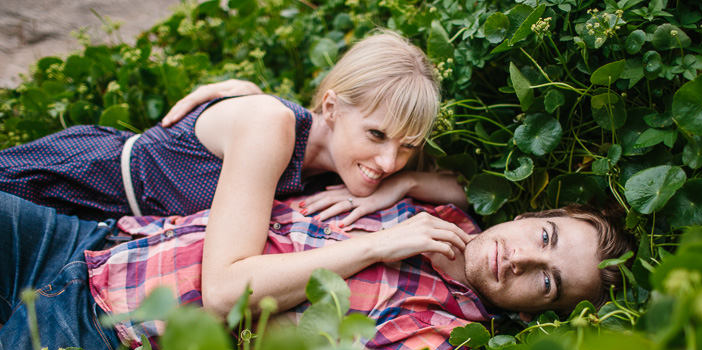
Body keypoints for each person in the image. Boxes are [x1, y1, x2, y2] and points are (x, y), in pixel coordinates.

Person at [0, 188, 632, 350]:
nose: (519, 261)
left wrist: (375, 246)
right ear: (529, 216)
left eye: (547, 284)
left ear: (538, 315)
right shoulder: (448, 213)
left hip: (91, 331)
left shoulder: (440, 336)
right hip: (87, 242)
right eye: (544, 238)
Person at [0, 30, 466, 225]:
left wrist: (401, 183)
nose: (388, 161)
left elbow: (462, 190)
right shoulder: (272, 124)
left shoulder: (334, 172)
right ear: (331, 106)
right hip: (78, 179)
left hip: (92, 233)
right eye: (377, 135)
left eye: (407, 147)